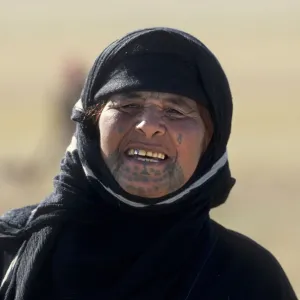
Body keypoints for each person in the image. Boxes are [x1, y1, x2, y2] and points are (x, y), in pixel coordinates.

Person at [0, 27, 297, 300]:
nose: (148, 125)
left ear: (210, 143)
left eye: (176, 111)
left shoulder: (249, 280)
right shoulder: (10, 251)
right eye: (128, 106)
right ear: (91, 125)